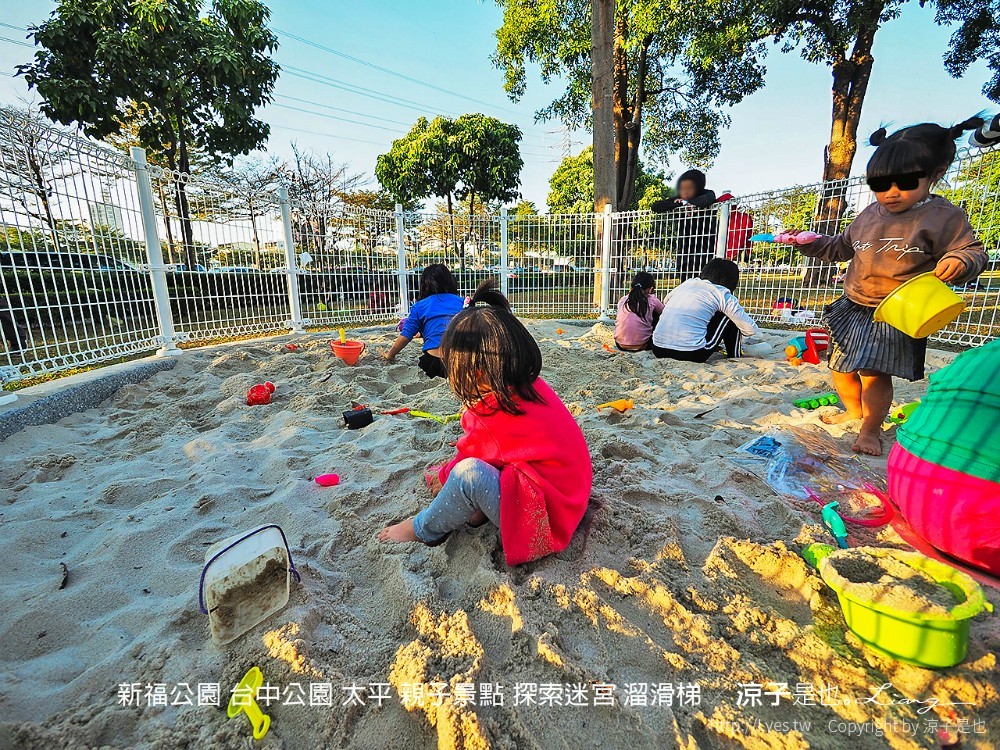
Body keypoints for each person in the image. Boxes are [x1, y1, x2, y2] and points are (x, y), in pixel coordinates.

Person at [794, 118, 988, 456]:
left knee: (872, 373)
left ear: (935, 174)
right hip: (854, 303)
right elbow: (841, 246)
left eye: (905, 183)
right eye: (881, 185)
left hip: (896, 310)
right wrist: (810, 243)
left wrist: (960, 261)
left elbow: (972, 251)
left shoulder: (944, 216)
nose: (891, 193)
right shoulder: (870, 213)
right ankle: (854, 412)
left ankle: (871, 429)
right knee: (840, 366)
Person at [378, 280, 592, 565]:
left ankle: (423, 529)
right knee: (479, 468)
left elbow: (470, 459)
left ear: (476, 374)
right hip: (568, 499)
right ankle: (477, 510)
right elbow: (505, 451)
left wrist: (443, 478)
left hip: (544, 523)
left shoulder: (491, 411)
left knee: (469, 476)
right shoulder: (533, 387)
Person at [651, 258, 759, 362]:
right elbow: (750, 329)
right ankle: (735, 354)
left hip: (658, 348)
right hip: (692, 352)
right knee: (729, 316)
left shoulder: (687, 284)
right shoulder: (722, 293)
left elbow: (666, 301)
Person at [382, 263, 464, 378]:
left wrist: (390, 355)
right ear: (450, 281)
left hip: (434, 363)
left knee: (426, 362)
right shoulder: (463, 302)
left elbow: (406, 335)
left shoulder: (419, 306)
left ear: (424, 285)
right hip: (463, 362)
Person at [651, 169, 719, 281]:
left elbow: (708, 199)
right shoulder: (680, 198)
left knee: (703, 277)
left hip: (704, 245)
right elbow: (656, 207)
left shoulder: (707, 194)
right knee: (684, 276)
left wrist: (690, 204)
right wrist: (678, 204)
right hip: (685, 247)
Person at [614, 271, 664, 351]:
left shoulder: (623, 300)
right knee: (657, 314)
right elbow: (664, 313)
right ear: (650, 289)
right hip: (643, 345)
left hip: (620, 344)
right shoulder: (652, 300)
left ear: (631, 287)